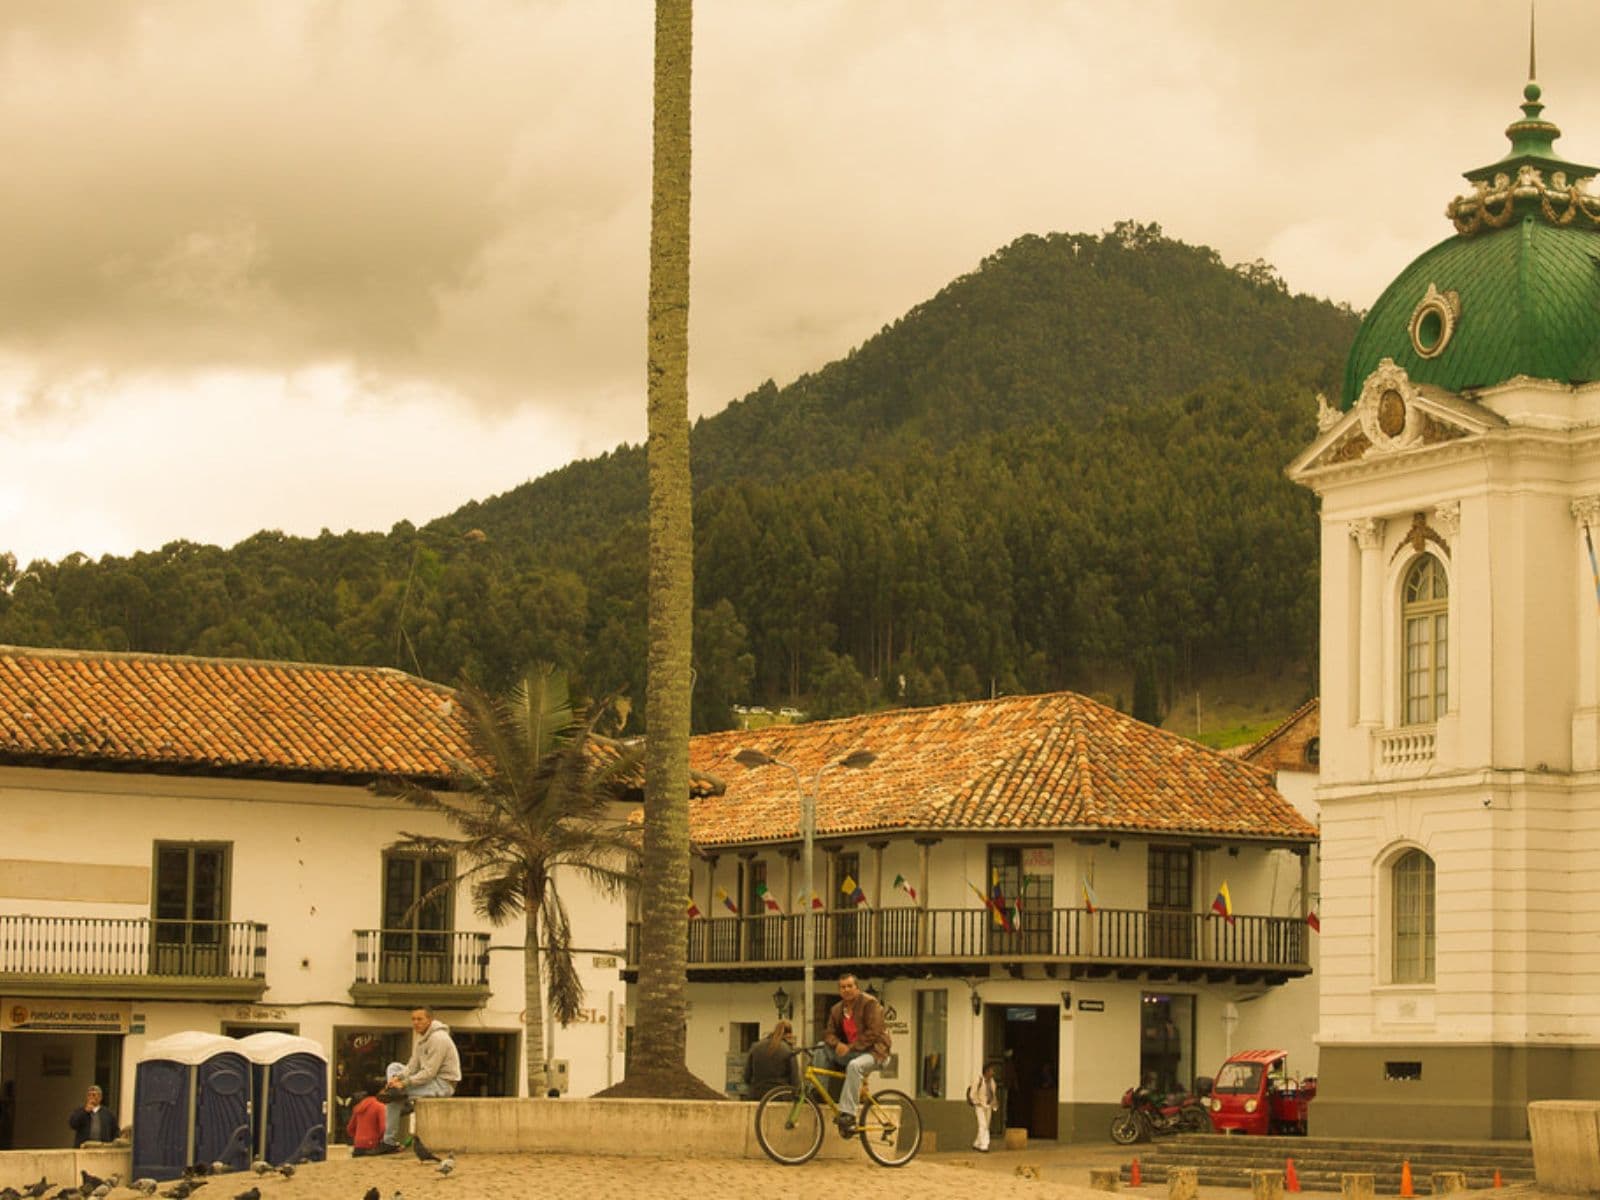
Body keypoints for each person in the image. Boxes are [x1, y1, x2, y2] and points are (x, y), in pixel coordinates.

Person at [378, 1006, 461, 1152]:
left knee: (393, 1098)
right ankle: (399, 1097)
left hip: (443, 1084)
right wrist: (396, 1079)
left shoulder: (438, 1038)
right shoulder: (421, 1038)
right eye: (413, 1019)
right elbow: (412, 1066)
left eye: (420, 1019)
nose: (416, 1022)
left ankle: (388, 1142)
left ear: (429, 1020)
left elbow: (429, 1072)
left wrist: (403, 1083)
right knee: (393, 1068)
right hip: (428, 1080)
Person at [820, 974, 890, 1136]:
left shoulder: (870, 1003)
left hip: (876, 1052)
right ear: (839, 991)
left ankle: (849, 1115)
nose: (846, 990)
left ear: (857, 988)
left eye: (849, 986)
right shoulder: (837, 1010)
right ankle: (820, 1093)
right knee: (821, 1047)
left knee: (854, 1066)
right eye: (843, 987)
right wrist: (837, 1044)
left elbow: (874, 1032)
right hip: (853, 1052)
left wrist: (849, 1047)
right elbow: (828, 1033)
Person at [744, 1019, 798, 1098]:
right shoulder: (788, 1050)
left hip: (756, 1095)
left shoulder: (756, 1047)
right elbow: (795, 1080)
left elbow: (747, 1076)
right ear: (789, 1034)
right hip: (780, 1096)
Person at [346, 1080, 387, 1155]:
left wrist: (359, 1138)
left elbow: (350, 1128)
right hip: (373, 1145)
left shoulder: (358, 1106)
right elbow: (383, 1128)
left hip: (358, 1145)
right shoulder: (379, 1107)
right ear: (380, 1091)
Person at [967, 1061, 998, 1152]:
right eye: (991, 1070)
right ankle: (984, 1145)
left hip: (988, 1106)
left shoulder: (992, 1082)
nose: (993, 1072)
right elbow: (973, 1093)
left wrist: (994, 1104)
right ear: (987, 1071)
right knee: (982, 1125)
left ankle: (976, 1143)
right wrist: (977, 1102)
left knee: (986, 1125)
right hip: (979, 1105)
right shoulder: (978, 1080)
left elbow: (993, 1094)